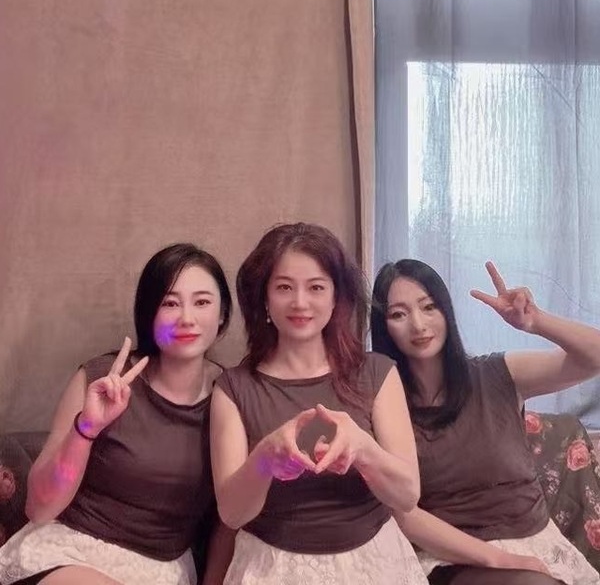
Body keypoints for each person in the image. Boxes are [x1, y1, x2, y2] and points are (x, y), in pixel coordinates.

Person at [0, 243, 235, 585]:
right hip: (71, 553)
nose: (187, 318)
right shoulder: (99, 377)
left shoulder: (232, 397)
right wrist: (85, 429)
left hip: (159, 570)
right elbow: (39, 507)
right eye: (170, 303)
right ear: (149, 313)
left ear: (223, 314)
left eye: (202, 302)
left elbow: (232, 518)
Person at [209, 222, 428, 585]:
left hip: (373, 562)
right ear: (264, 298)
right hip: (272, 567)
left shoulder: (377, 372)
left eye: (316, 287)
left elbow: (407, 496)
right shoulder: (234, 388)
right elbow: (232, 514)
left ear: (336, 297)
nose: (300, 302)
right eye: (284, 287)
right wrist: (265, 458)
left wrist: (362, 448)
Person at [370, 258, 600, 585]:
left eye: (429, 307)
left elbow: (594, 358)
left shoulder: (497, 374)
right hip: (454, 558)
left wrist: (536, 321)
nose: (418, 325)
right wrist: (502, 559)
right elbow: (405, 514)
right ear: (384, 327)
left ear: (446, 311)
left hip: (537, 544)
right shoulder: (385, 404)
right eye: (398, 314)